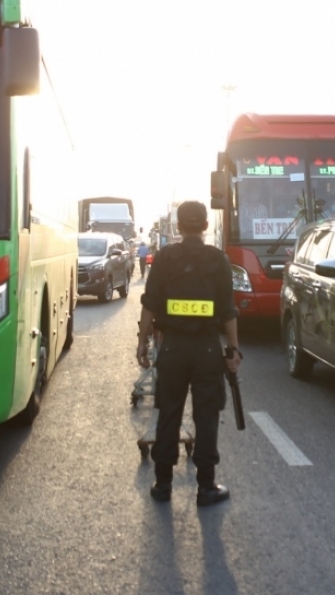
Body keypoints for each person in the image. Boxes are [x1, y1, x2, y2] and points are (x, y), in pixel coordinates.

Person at [136, 200, 241, 507]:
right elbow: (228, 312)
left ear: (179, 227)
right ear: (205, 226)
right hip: (207, 349)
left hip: (172, 349)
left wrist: (143, 343)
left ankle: (162, 484)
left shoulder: (165, 259)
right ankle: (206, 487)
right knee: (206, 416)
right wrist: (233, 350)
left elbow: (149, 304)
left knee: (168, 412)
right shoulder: (218, 260)